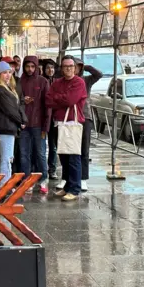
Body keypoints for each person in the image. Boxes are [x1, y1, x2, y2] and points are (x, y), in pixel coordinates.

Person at [55, 58, 101, 192]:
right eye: (68, 66)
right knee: (66, 149)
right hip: (68, 118)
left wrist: (87, 66)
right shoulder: (64, 81)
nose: (72, 69)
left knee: (83, 150)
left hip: (84, 117)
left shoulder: (85, 80)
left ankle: (83, 178)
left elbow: (99, 74)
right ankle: (66, 178)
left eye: (74, 66)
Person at [46, 55, 87, 201]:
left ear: (75, 68)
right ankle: (67, 186)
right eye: (65, 66)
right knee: (63, 156)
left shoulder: (79, 82)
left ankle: (75, 189)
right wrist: (62, 99)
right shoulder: (57, 83)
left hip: (72, 123)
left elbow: (71, 100)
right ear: (62, 68)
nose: (69, 68)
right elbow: (48, 100)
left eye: (71, 66)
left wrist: (60, 98)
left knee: (73, 157)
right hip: (59, 123)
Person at [0, 62, 26, 187]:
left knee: (2, 159)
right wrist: (21, 121)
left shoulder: (5, 88)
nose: (8, 75)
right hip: (5, 127)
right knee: (7, 160)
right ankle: (5, 188)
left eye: (9, 72)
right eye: (4, 72)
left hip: (5, 127)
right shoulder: (1, 89)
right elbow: (11, 110)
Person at [19, 56, 51, 194]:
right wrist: (22, 100)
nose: (30, 69)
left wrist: (46, 126)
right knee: (24, 153)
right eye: (27, 66)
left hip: (38, 124)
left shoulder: (43, 81)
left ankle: (44, 178)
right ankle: (27, 179)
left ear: (37, 67)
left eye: (33, 66)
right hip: (24, 124)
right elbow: (14, 100)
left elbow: (48, 105)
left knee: (40, 153)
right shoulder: (19, 81)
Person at [42, 59, 59, 179]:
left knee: (53, 146)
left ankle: (52, 169)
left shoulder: (57, 82)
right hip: (42, 118)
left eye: (52, 68)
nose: (50, 70)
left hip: (55, 118)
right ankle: (41, 168)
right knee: (41, 145)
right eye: (48, 68)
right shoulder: (41, 81)